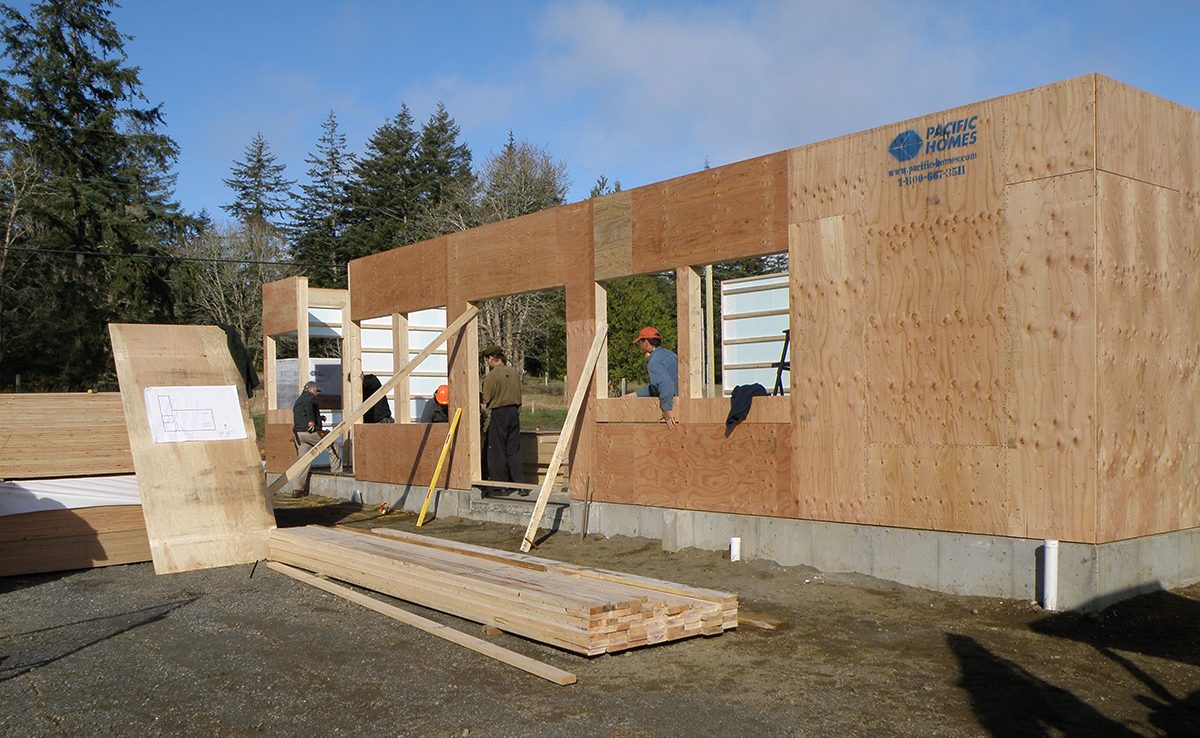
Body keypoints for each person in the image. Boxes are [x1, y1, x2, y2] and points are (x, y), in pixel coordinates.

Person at [480, 345, 524, 491]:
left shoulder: (492, 376)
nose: (487, 362)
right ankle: (520, 485)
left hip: (499, 413)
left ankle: (499, 486)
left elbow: (487, 397)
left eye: (487, 359)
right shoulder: (514, 373)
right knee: (514, 449)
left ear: (492, 358)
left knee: (496, 451)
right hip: (514, 413)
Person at [291, 381, 342, 497]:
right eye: (316, 390)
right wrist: (312, 420)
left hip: (299, 435)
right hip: (310, 433)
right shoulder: (309, 397)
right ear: (309, 388)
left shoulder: (298, 400)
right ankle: (337, 475)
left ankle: (297, 489)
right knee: (333, 444)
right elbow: (309, 404)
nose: (317, 393)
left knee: (303, 462)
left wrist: (319, 417)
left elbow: (304, 411)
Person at [622, 326, 679, 429]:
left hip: (673, 414)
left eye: (640, 343)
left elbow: (666, 385)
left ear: (646, 343)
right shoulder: (671, 355)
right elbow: (657, 385)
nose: (640, 346)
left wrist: (666, 409)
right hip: (683, 408)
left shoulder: (654, 362)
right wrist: (636, 394)